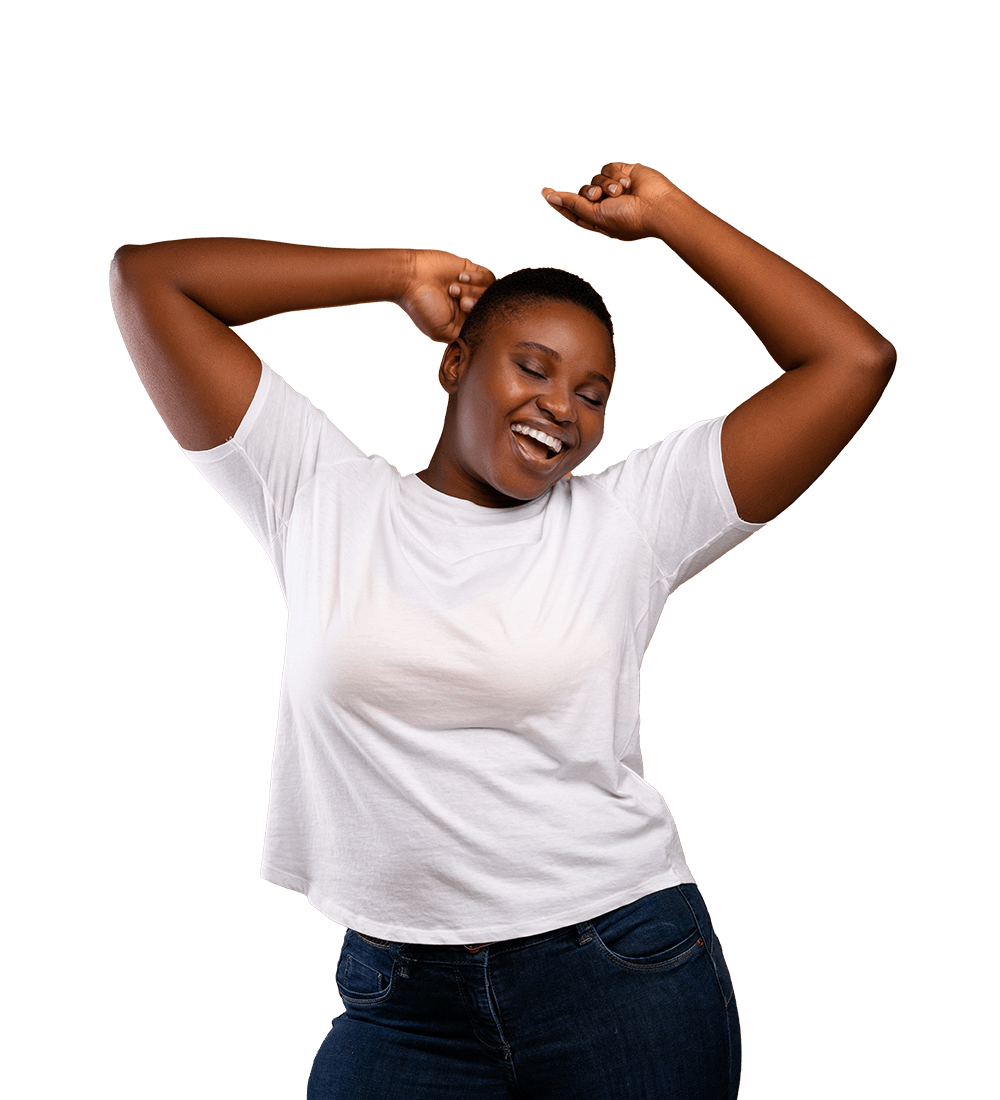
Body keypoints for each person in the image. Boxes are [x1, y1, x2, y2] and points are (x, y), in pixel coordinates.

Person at [109, 160, 895, 1099]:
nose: (563, 406)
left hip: (620, 972)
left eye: (594, 392)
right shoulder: (318, 492)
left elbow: (852, 361)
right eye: (533, 366)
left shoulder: (631, 521)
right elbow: (150, 280)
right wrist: (395, 273)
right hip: (399, 998)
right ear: (455, 363)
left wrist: (672, 217)